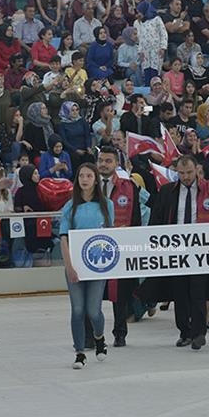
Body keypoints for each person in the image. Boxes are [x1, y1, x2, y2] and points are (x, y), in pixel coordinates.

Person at [146, 155, 209, 350]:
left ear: (197, 170)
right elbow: (157, 219)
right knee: (179, 292)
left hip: (201, 250)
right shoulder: (167, 191)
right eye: (181, 173)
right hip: (176, 250)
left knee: (198, 291)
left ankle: (199, 332)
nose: (186, 177)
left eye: (189, 172)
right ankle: (184, 331)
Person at [58, 163, 114, 369]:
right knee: (77, 309)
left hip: (97, 265)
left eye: (89, 176)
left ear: (96, 179)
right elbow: (64, 238)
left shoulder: (107, 205)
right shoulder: (69, 207)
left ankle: (99, 337)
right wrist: (69, 266)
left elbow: (110, 236)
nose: (84, 179)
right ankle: (80, 352)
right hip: (75, 264)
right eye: (81, 176)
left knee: (93, 310)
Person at [96, 147, 142, 347]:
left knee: (120, 294)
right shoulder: (87, 184)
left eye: (108, 161)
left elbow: (136, 219)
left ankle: (120, 333)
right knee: (92, 294)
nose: (103, 164)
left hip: (120, 247)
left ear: (116, 164)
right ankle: (92, 335)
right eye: (101, 160)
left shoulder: (128, 187)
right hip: (93, 246)